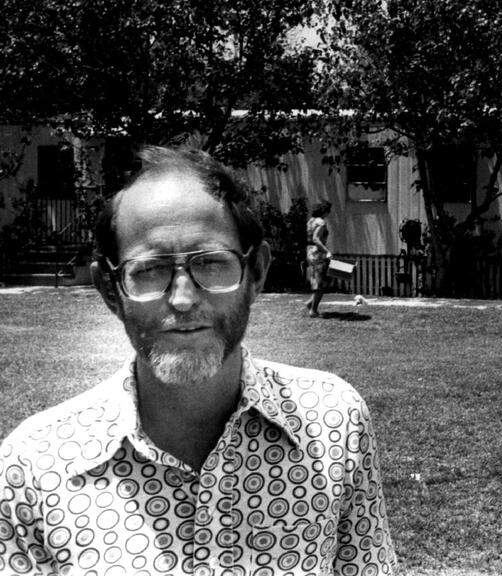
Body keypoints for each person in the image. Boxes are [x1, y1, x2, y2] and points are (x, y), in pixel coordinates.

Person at [0, 146, 397, 574]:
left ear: (257, 273)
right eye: (149, 270)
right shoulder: (35, 468)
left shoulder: (333, 424)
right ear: (110, 290)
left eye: (211, 263)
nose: (184, 298)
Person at [304, 199, 333, 318]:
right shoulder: (321, 222)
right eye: (328, 211)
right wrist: (327, 251)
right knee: (321, 282)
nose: (329, 214)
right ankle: (313, 310)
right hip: (318, 253)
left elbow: (311, 238)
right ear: (325, 211)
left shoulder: (311, 221)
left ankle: (310, 303)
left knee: (317, 279)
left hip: (310, 251)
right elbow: (316, 238)